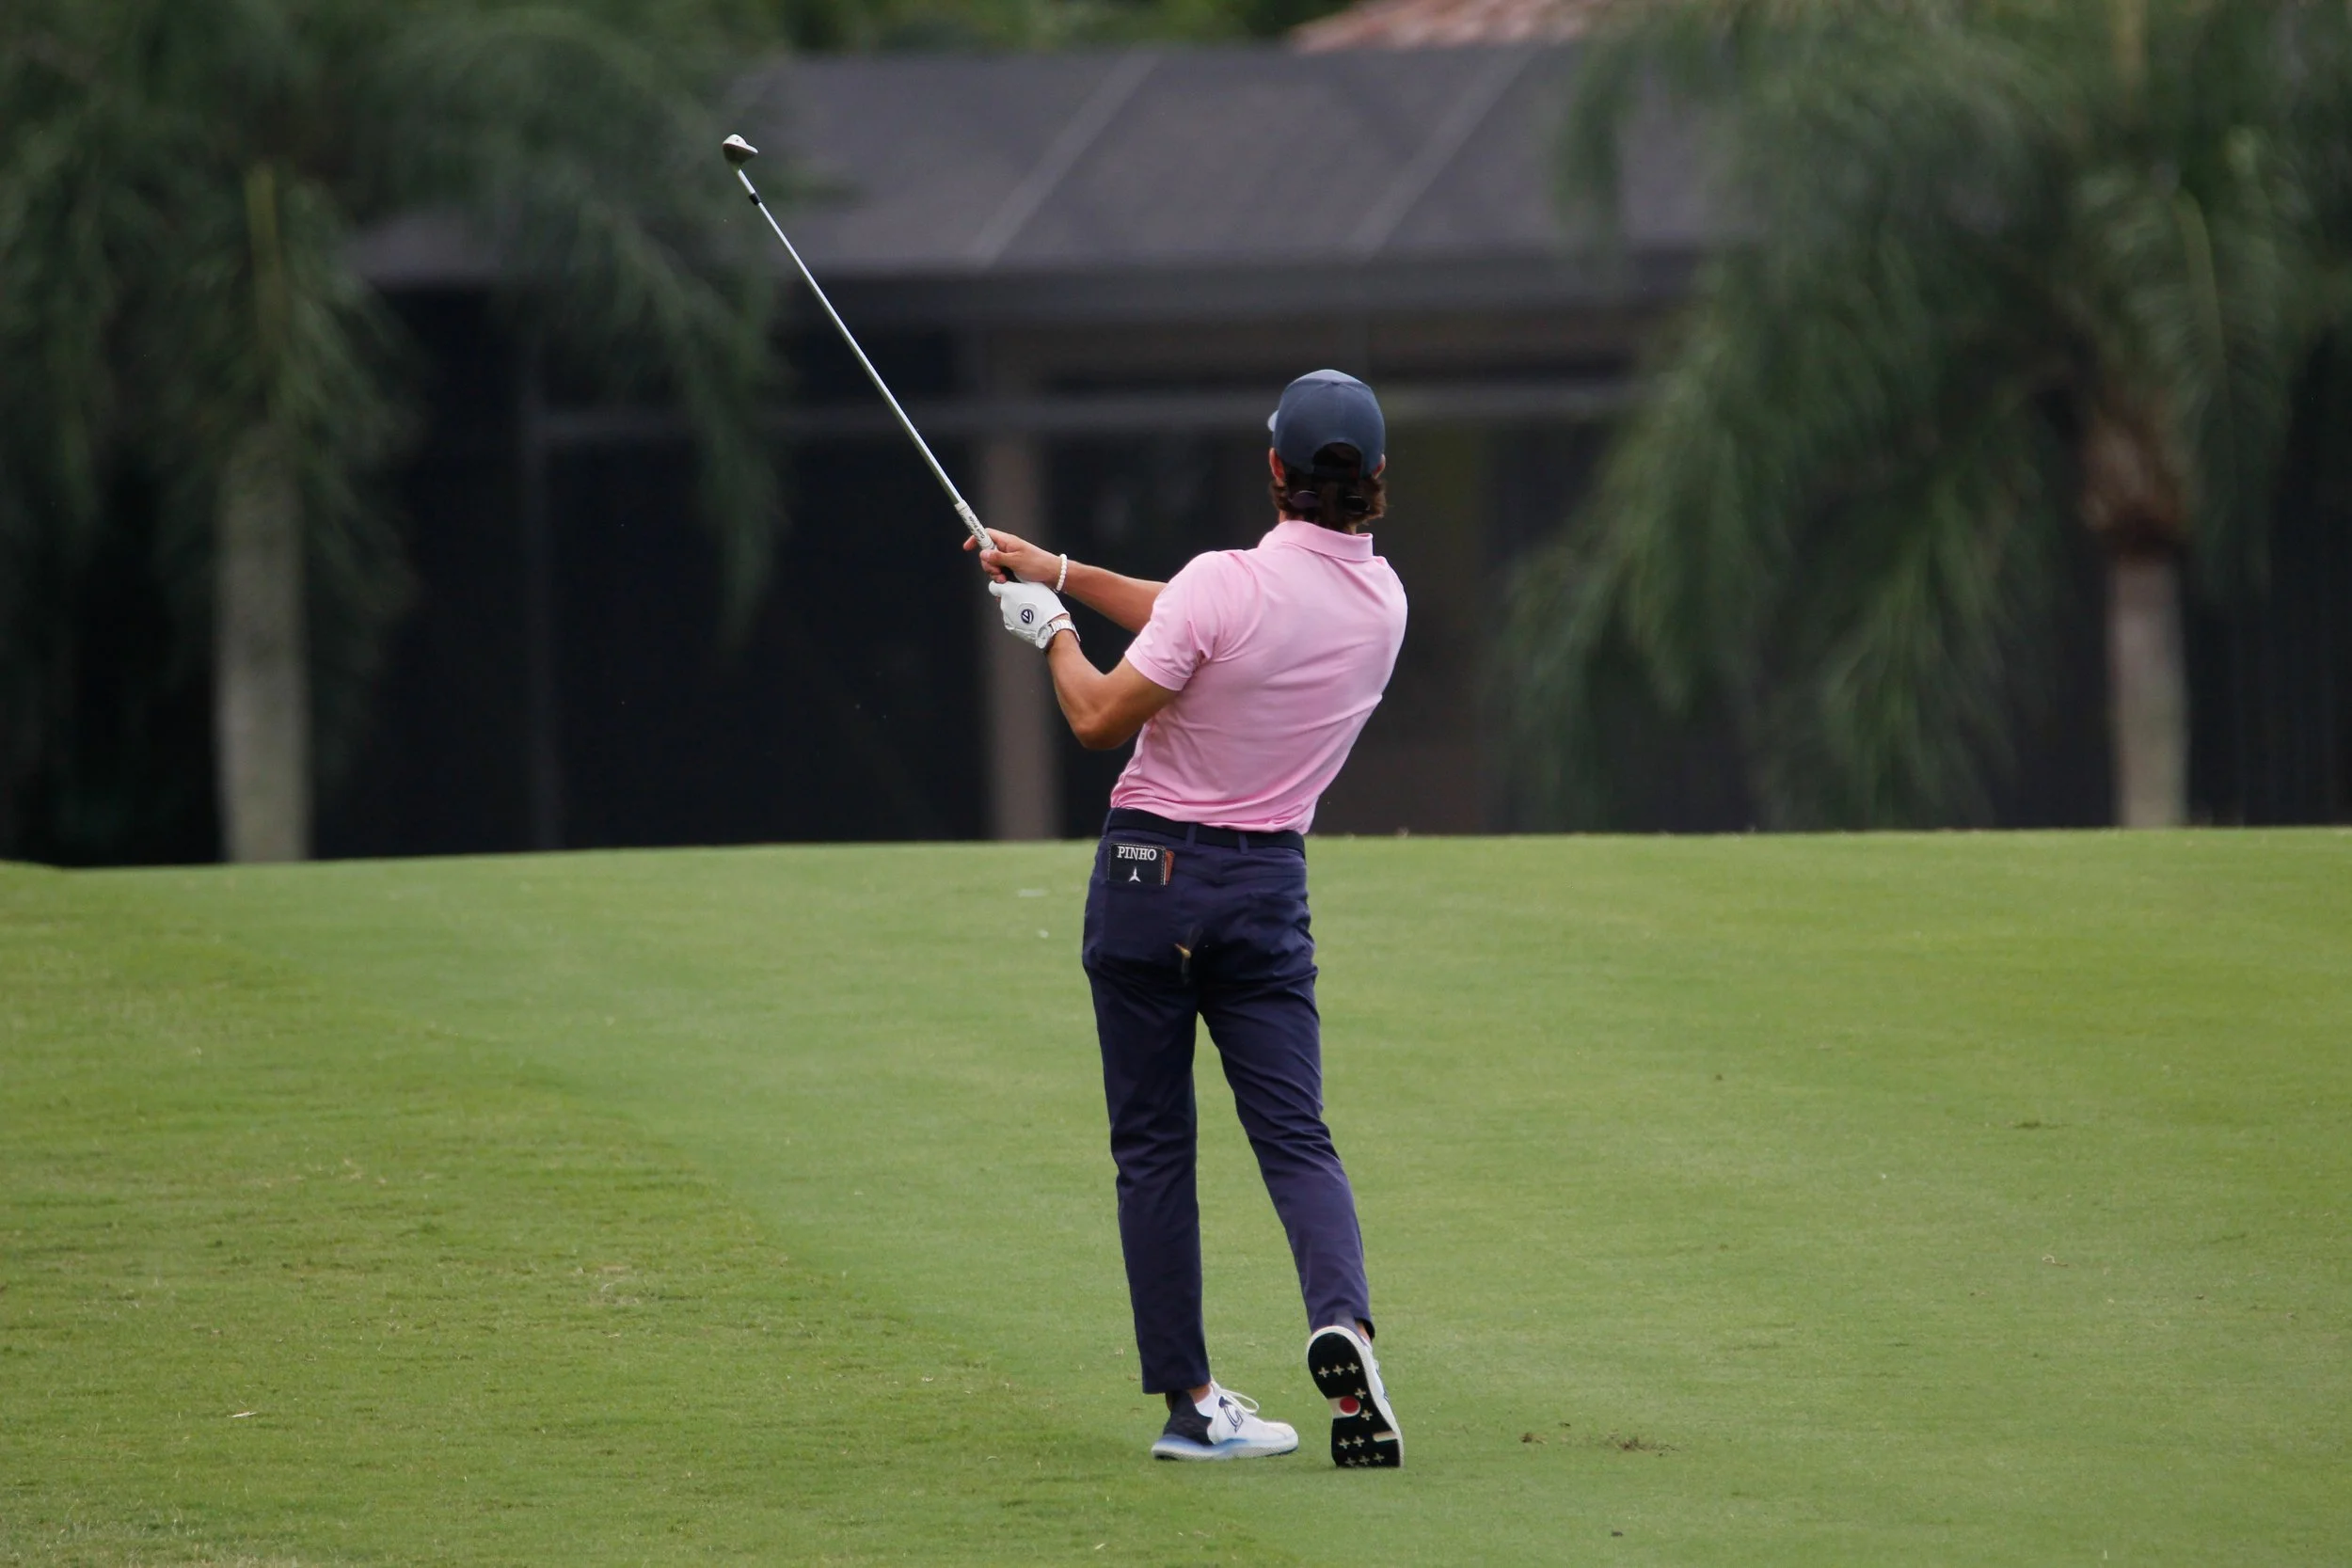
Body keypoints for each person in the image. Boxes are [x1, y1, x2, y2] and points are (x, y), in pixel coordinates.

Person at [970, 370, 1408, 1468]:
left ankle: (1192, 1401)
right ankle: (1343, 1325)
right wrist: (1058, 565)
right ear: (1375, 482)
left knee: (1155, 1148)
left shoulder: (1224, 583)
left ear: (1272, 470)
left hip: (1145, 879)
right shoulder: (1381, 604)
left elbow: (1096, 715)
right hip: (1266, 890)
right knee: (1295, 1135)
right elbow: (1205, 616)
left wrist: (1051, 627)